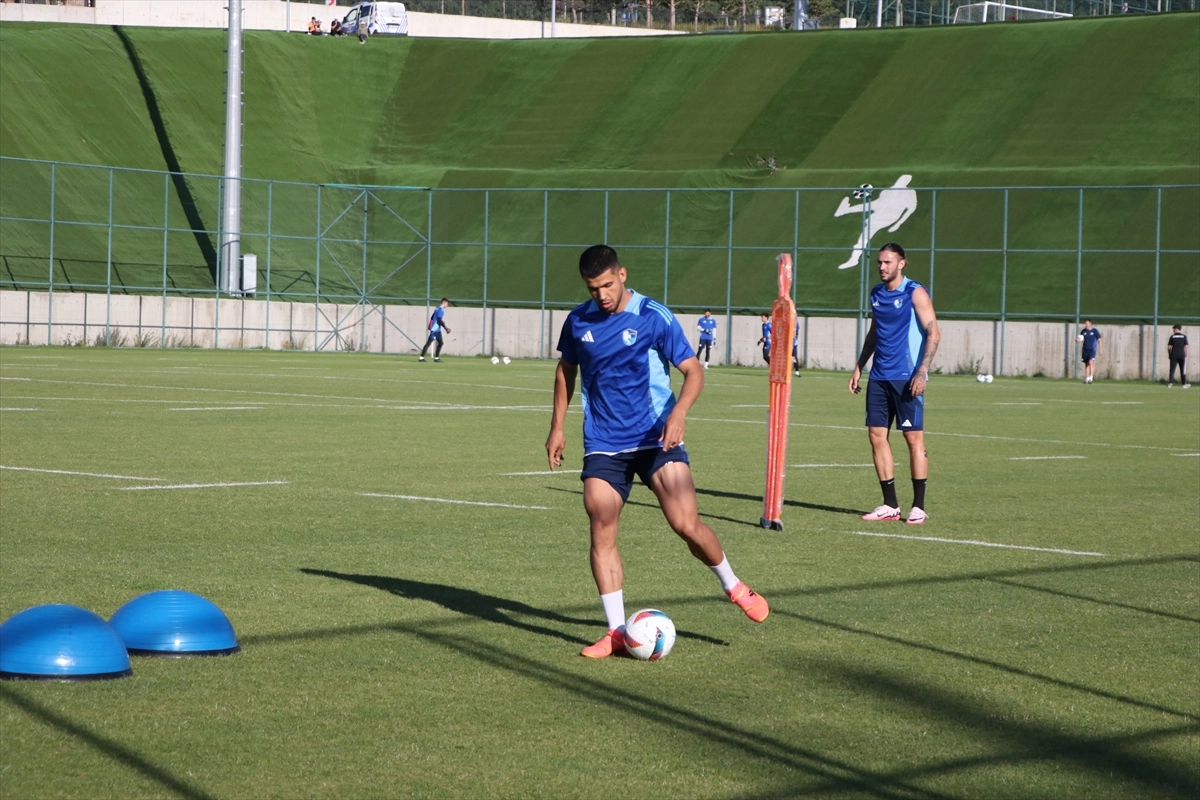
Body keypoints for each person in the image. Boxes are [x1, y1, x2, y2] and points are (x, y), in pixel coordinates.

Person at [546, 245, 769, 659]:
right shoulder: (578, 321)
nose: (601, 295)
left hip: (656, 437)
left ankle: (734, 585)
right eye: (593, 289)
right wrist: (557, 427)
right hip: (605, 442)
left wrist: (679, 413)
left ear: (623, 275)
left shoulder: (653, 316)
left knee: (685, 524)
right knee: (600, 524)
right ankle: (616, 632)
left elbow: (693, 370)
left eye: (607, 285)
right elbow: (566, 370)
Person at [848, 243, 940, 525]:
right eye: (879, 262)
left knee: (913, 439)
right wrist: (859, 366)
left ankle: (919, 507)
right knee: (876, 436)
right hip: (879, 376)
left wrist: (922, 371)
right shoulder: (876, 293)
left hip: (907, 376)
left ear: (901, 264)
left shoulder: (915, 292)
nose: (882, 266)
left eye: (887, 262)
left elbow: (933, 333)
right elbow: (875, 332)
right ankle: (890, 505)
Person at [419, 298, 451, 362]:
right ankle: (421, 358)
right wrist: (446, 328)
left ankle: (436, 358)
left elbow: (434, 317)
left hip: (437, 330)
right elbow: (439, 320)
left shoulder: (437, 308)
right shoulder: (441, 309)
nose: (447, 305)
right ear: (444, 303)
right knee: (429, 343)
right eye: (447, 304)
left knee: (441, 343)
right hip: (435, 329)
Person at [1078, 320, 1102, 384]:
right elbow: (1081, 339)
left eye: (1087, 323)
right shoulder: (1083, 331)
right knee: (1086, 364)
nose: (1085, 325)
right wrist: (1078, 340)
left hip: (1092, 349)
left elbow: (1099, 340)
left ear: (1090, 324)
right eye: (1085, 323)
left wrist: (1100, 349)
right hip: (1085, 349)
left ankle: (1091, 378)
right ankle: (1087, 378)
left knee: (1091, 362)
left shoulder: (1095, 331)